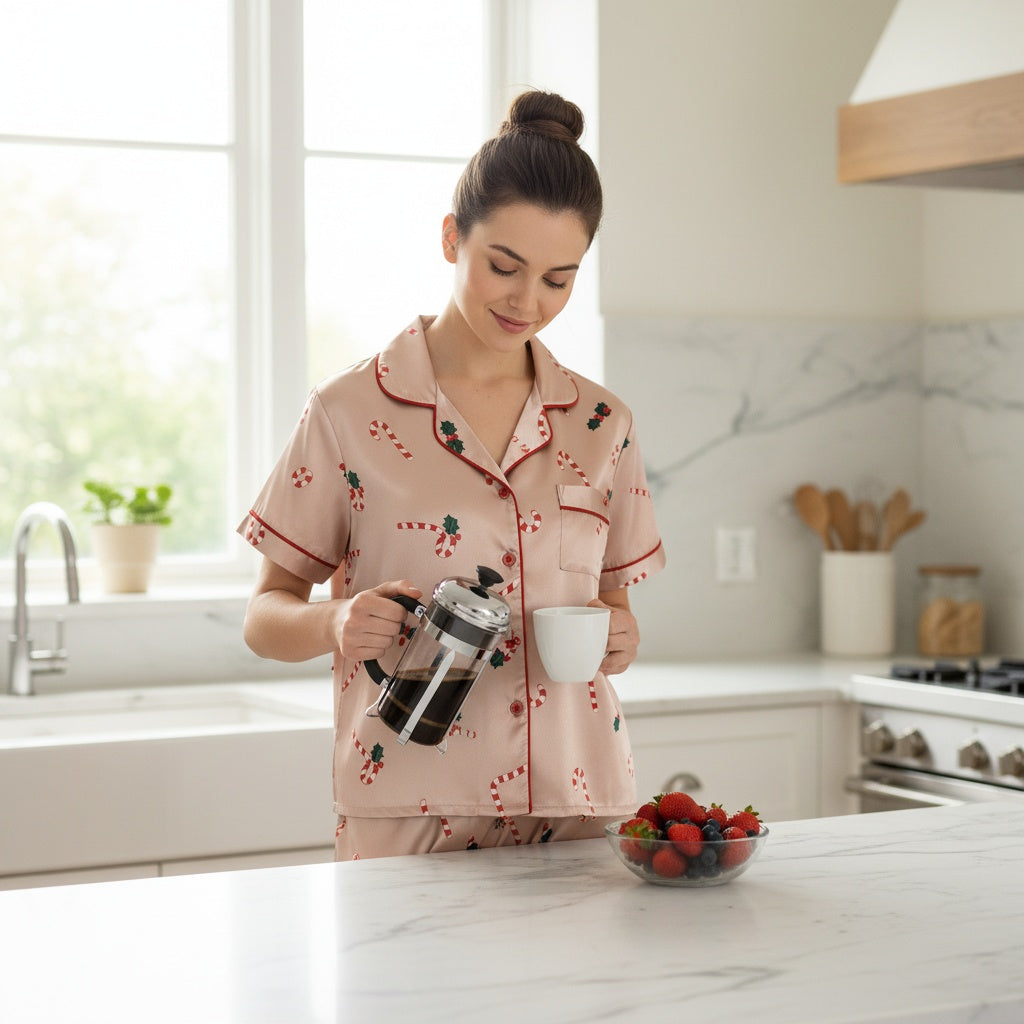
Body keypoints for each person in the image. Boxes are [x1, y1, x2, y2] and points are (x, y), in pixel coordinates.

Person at [238, 90, 666, 860]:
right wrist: (336, 624)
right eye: (505, 266)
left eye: (558, 279)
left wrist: (622, 635)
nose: (527, 301)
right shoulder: (347, 411)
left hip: (570, 808)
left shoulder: (602, 424)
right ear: (450, 239)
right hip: (410, 807)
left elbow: (611, 606)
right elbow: (265, 616)